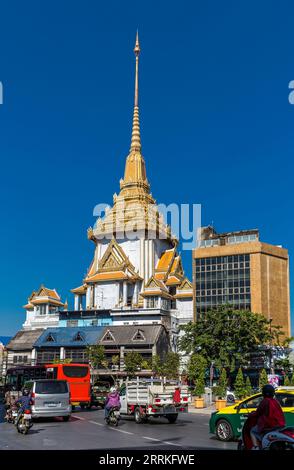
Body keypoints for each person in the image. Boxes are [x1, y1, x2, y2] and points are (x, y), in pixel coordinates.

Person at [250, 384, 285, 450]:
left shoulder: (265, 401)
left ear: (264, 393)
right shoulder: (275, 401)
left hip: (270, 425)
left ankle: (256, 447)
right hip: (280, 425)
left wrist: (250, 415)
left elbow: (257, 413)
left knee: (252, 431)